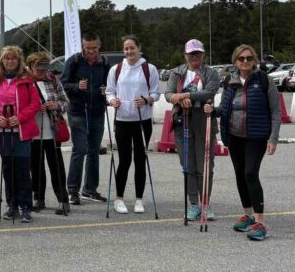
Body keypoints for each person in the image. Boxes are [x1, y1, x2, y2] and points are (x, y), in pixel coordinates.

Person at [219, 45, 280, 241]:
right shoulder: (229, 81)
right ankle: (248, 215)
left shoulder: (264, 80)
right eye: (241, 58)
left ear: (254, 60)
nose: (245, 61)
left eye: (248, 58)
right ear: (235, 61)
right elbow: (225, 107)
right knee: (240, 174)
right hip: (234, 136)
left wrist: (273, 138)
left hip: (256, 136)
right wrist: (212, 110)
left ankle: (260, 222)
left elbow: (275, 111)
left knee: (250, 173)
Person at [164, 39, 220, 223]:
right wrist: (179, 99)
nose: (194, 56)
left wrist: (187, 95)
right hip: (183, 120)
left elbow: (209, 92)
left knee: (205, 165)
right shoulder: (176, 72)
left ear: (203, 55)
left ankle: (206, 203)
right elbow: (168, 94)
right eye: (191, 54)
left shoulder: (211, 73)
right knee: (188, 165)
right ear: (185, 55)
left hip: (204, 119)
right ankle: (194, 203)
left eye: (198, 53)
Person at [105, 36, 160, 215]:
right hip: (122, 120)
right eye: (126, 48)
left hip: (142, 120)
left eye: (132, 48)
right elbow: (109, 91)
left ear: (139, 48)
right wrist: (112, 100)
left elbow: (156, 93)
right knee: (124, 160)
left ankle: (139, 199)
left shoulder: (149, 68)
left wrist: (146, 100)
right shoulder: (116, 69)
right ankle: (119, 199)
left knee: (140, 160)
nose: (129, 51)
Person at [0, 46, 41, 222]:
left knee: (23, 169)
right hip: (3, 132)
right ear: (2, 61)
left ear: (19, 61)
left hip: (22, 131)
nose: (10, 61)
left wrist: (20, 117)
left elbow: (35, 103)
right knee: (8, 169)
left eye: (13, 58)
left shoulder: (27, 79)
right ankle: (12, 205)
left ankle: (26, 206)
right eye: (6, 58)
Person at [60, 32, 111, 205]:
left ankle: (89, 190)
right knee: (80, 150)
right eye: (87, 48)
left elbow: (110, 85)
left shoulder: (104, 62)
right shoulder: (74, 61)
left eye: (94, 48)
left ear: (99, 46)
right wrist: (76, 86)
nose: (91, 51)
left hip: (97, 111)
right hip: (78, 111)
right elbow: (63, 85)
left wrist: (106, 90)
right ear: (83, 46)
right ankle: (72, 190)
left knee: (94, 151)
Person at [26, 52, 70, 216]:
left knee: (56, 166)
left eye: (45, 68)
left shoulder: (53, 80)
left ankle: (63, 200)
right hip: (33, 132)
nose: (42, 72)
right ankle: (38, 198)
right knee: (36, 167)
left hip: (52, 130)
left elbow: (66, 102)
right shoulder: (25, 82)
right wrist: (34, 108)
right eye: (38, 68)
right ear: (31, 66)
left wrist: (56, 105)